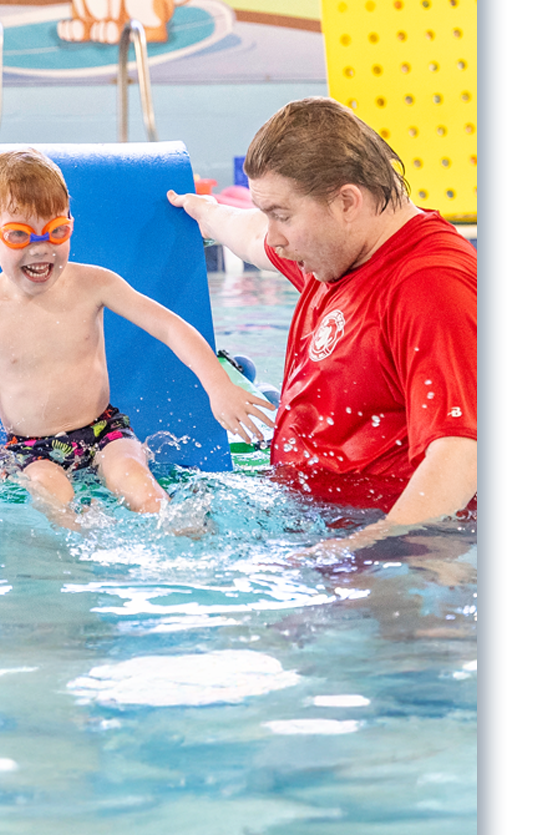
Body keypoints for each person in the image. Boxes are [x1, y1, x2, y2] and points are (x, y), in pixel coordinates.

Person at [167, 97, 477, 558]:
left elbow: (461, 453)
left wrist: (356, 547)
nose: (275, 236)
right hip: (320, 518)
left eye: (283, 215)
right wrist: (205, 212)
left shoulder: (430, 286)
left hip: (396, 549)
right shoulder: (338, 257)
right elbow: (253, 236)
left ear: (347, 201)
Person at [0, 148, 274, 529]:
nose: (41, 248)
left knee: (138, 484)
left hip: (105, 429)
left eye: (57, 231)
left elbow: (169, 326)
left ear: (72, 224)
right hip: (30, 449)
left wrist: (219, 386)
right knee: (53, 496)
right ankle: (84, 548)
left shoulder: (94, 284)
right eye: (19, 235)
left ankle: (184, 541)